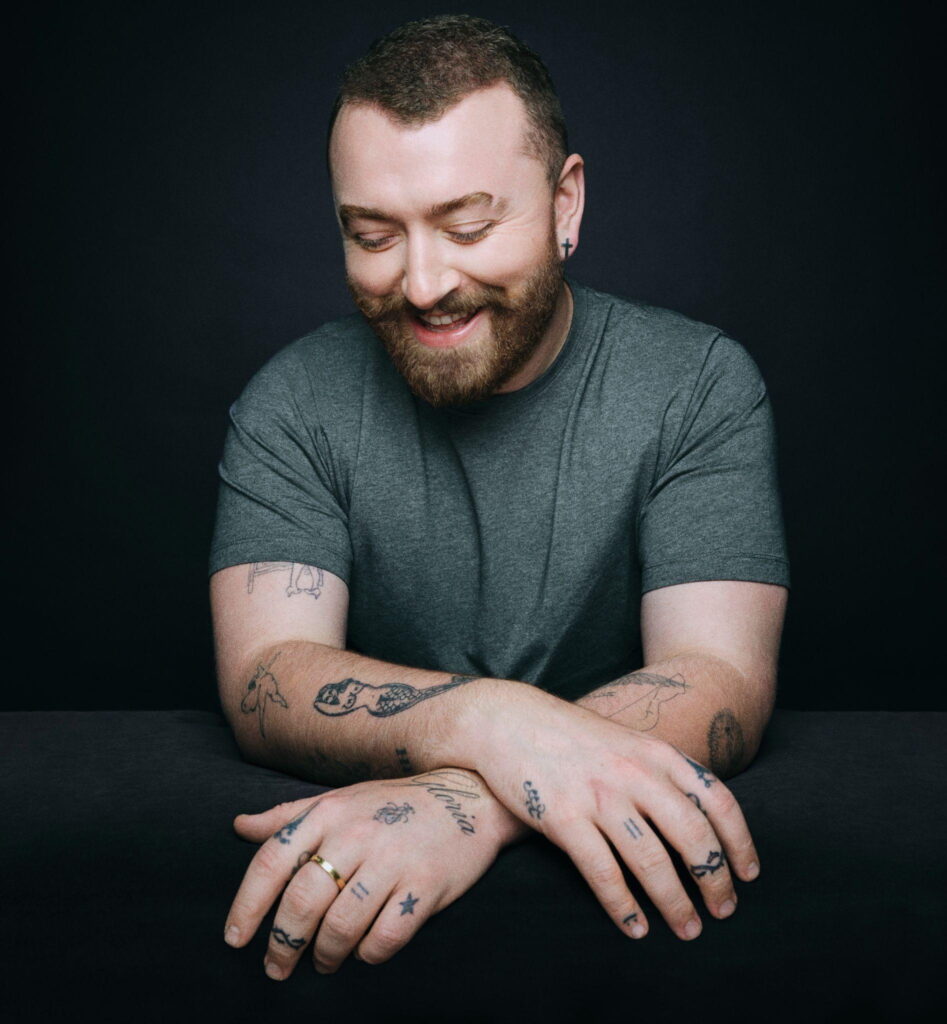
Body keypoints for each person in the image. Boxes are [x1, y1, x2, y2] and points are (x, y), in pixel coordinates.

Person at [210, 14, 789, 982]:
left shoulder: (696, 382)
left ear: (565, 202)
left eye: (468, 226)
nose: (424, 281)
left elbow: (718, 677)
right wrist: (489, 720)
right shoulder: (293, 398)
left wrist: (466, 800)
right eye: (372, 235)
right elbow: (266, 675)